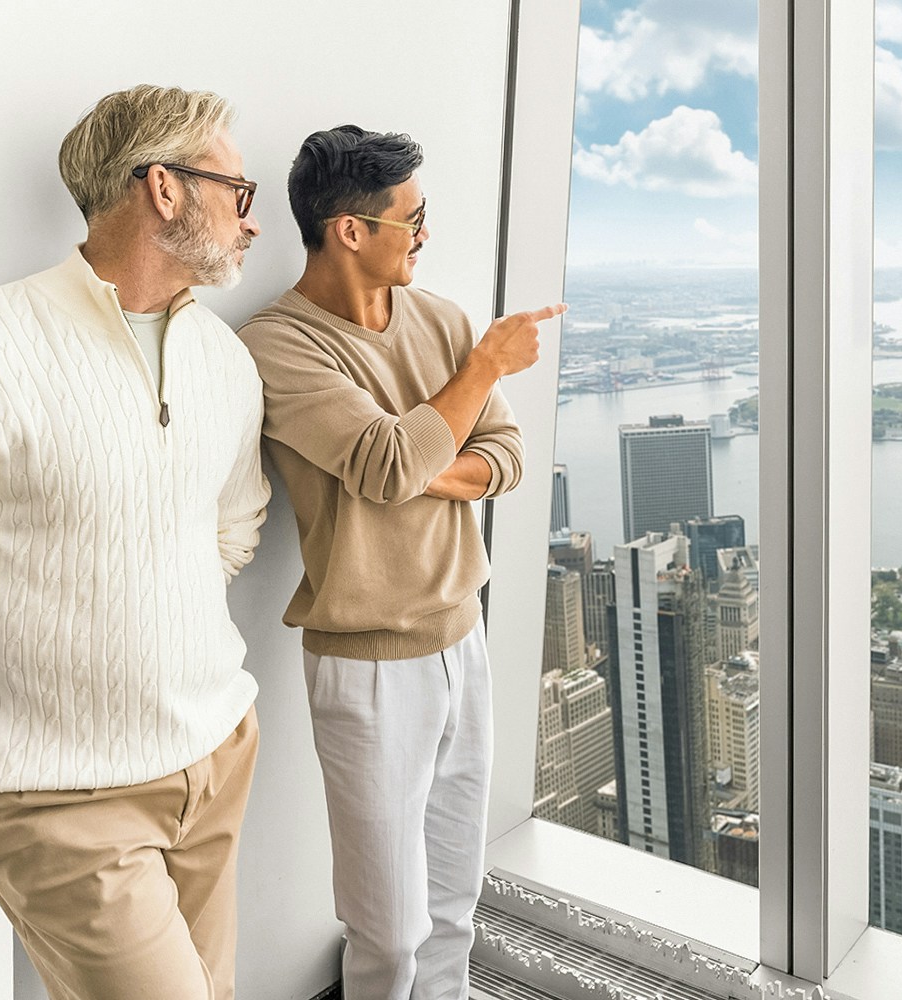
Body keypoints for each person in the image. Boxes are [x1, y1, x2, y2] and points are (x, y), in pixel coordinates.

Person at [0, 84, 270, 1000]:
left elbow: (233, 523)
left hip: (213, 754)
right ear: (164, 189)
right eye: (237, 193)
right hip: (57, 799)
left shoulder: (224, 360)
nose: (253, 221)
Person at [238, 125, 562, 1000]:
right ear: (350, 229)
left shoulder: (442, 318)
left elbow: (505, 455)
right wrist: (482, 371)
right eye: (412, 218)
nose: (426, 233)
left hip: (464, 640)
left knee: (455, 900)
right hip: (368, 665)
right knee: (387, 927)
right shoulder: (281, 346)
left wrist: (421, 460)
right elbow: (384, 465)